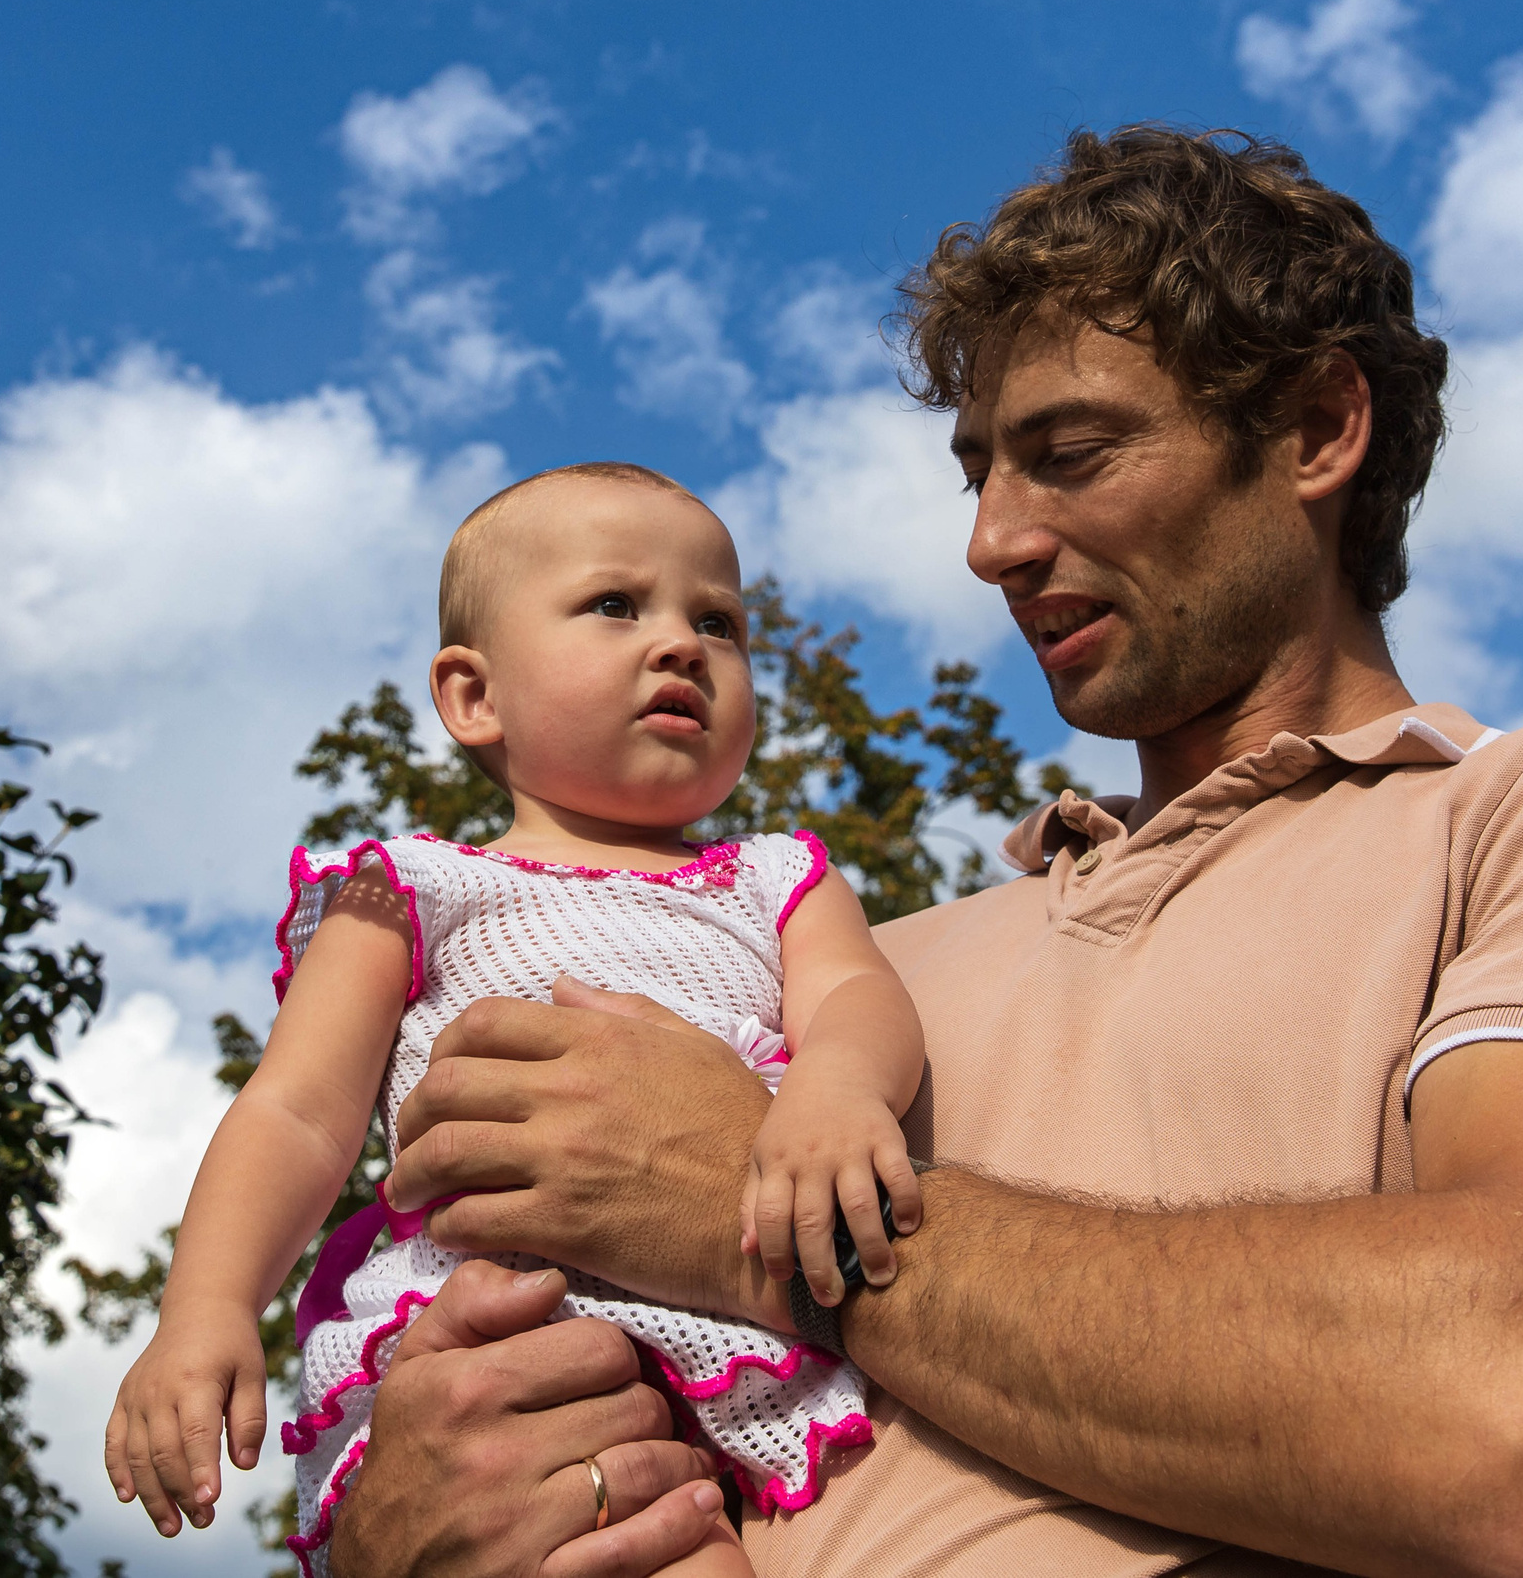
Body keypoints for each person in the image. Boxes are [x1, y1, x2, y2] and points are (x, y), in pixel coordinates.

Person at [322, 127, 1523, 1578]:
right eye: (981, 468)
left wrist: (743, 1203)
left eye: (1072, 453)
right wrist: (398, 1528)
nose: (991, 540)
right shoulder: (851, 972)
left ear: (1316, 428)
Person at [101, 462, 930, 1576]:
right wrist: (205, 1308)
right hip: (506, 1322)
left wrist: (838, 1088)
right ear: (473, 698)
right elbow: (299, 1111)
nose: (683, 642)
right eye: (615, 605)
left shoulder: (778, 876)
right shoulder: (414, 885)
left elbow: (858, 999)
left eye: (720, 622)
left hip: (748, 1300)